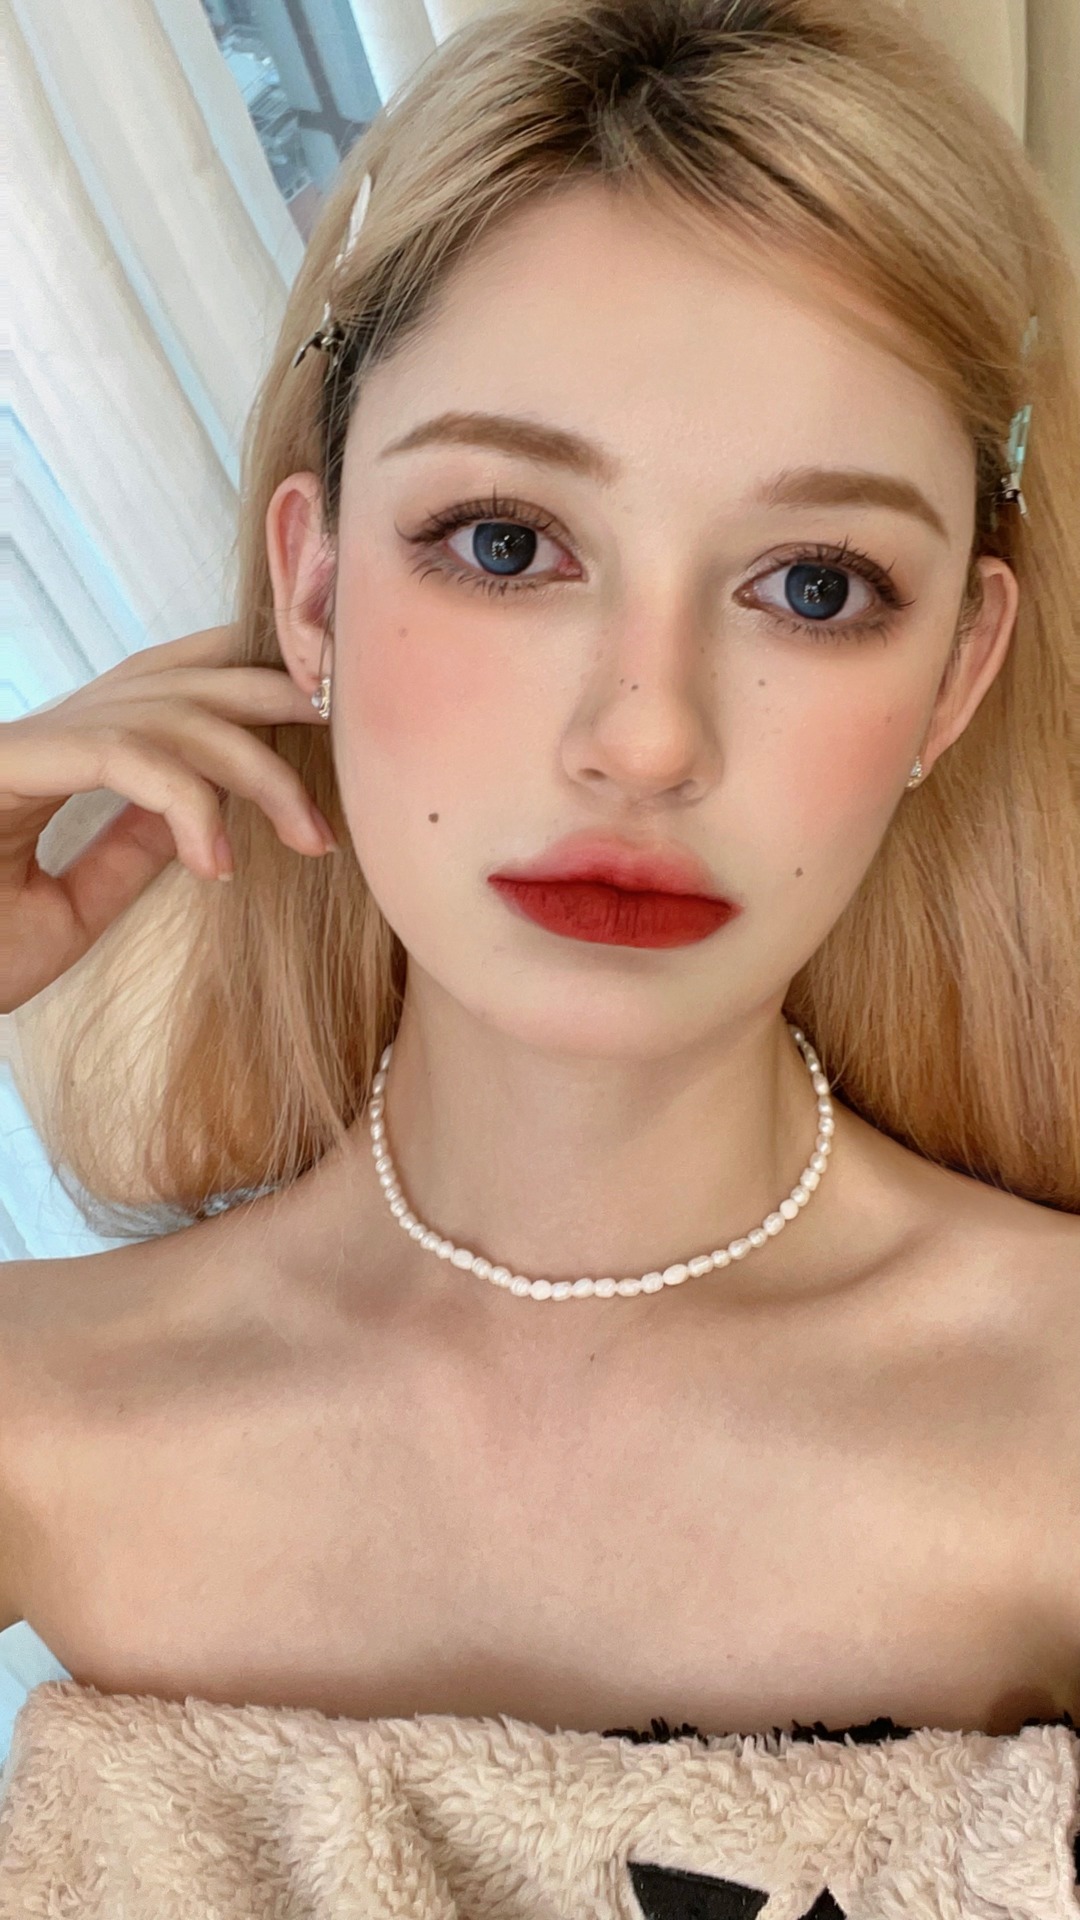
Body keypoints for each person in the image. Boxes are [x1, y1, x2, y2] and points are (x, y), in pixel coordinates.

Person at [1, 0, 1078, 1895]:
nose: (645, 736)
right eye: (507, 544)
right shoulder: (50, 1406)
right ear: (314, 587)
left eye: (814, 585)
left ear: (955, 674)